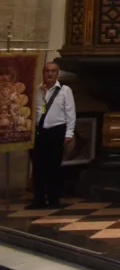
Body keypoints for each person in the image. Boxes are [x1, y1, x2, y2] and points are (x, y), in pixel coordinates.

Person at [30, 62, 75, 208]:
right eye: (47, 71)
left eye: (53, 71)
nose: (50, 74)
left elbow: (70, 113)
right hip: (39, 132)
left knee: (54, 166)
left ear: (58, 74)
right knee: (38, 167)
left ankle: (54, 199)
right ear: (43, 73)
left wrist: (69, 133)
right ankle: (39, 199)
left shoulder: (64, 90)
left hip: (56, 131)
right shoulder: (37, 90)